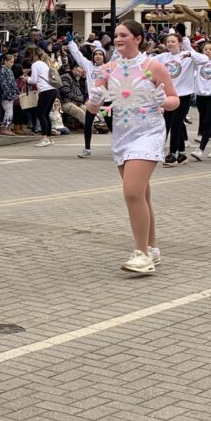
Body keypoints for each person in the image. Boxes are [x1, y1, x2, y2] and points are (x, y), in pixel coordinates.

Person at [85, 21, 179, 275]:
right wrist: (93, 102)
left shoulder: (153, 66)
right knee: (142, 195)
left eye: (123, 35)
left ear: (137, 39)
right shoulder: (107, 69)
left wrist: (163, 100)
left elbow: (174, 100)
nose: (117, 39)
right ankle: (152, 247)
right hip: (122, 135)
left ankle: (142, 254)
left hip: (148, 132)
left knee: (132, 193)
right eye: (115, 35)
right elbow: (92, 109)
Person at [151, 32, 209, 166]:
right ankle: (182, 154)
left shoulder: (187, 57)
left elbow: (205, 59)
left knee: (176, 123)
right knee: (169, 123)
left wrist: (190, 53)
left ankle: (172, 154)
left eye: (173, 41)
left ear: (180, 43)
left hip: (184, 95)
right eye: (168, 42)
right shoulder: (163, 57)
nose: (170, 44)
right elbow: (148, 62)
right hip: (168, 95)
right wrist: (147, 52)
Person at [67, 39, 108, 158]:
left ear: (104, 56)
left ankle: (119, 148)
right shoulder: (88, 66)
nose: (98, 56)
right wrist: (71, 43)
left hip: (106, 102)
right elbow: (77, 55)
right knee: (88, 124)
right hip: (93, 102)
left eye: (100, 54)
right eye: (96, 54)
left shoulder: (108, 67)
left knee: (112, 126)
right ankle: (87, 149)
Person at [26, 47, 59, 147]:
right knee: (46, 114)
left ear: (35, 55)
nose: (31, 57)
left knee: (41, 114)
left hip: (45, 91)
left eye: (32, 55)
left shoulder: (35, 64)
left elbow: (34, 80)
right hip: (53, 89)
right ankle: (49, 137)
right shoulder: (45, 64)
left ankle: (44, 138)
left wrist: (26, 79)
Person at [0, 53, 18, 136]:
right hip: (6, 94)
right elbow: (4, 84)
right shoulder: (2, 70)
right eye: (10, 62)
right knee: (8, 112)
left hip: (11, 93)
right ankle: (4, 127)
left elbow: (13, 82)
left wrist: (16, 91)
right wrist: (8, 94)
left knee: (10, 112)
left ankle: (7, 127)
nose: (11, 64)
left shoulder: (9, 70)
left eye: (12, 62)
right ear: (5, 61)